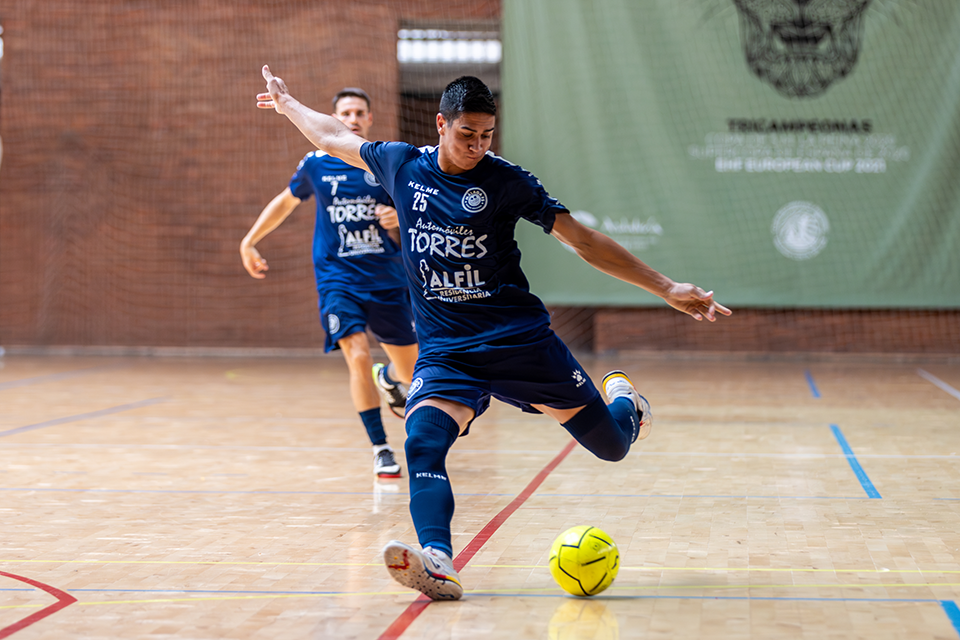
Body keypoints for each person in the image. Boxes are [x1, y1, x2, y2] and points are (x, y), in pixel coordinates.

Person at [256, 67, 731, 600]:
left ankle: (628, 406)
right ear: (441, 124)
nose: (478, 146)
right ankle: (439, 561)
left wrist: (666, 287)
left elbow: (582, 240)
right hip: (447, 352)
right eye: (467, 134)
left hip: (518, 343)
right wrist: (288, 103)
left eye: (486, 135)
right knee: (422, 441)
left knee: (612, 446)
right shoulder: (401, 165)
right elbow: (332, 136)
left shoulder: (507, 181)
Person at [241, 87, 418, 479]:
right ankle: (381, 448)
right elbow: (285, 201)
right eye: (345, 113)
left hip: (386, 280)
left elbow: (418, 216)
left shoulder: (386, 163)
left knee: (412, 374)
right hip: (338, 280)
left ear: (369, 119)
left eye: (359, 113)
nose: (352, 119)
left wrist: (399, 219)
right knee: (357, 354)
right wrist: (250, 240)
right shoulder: (316, 164)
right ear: (334, 118)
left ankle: (390, 379)